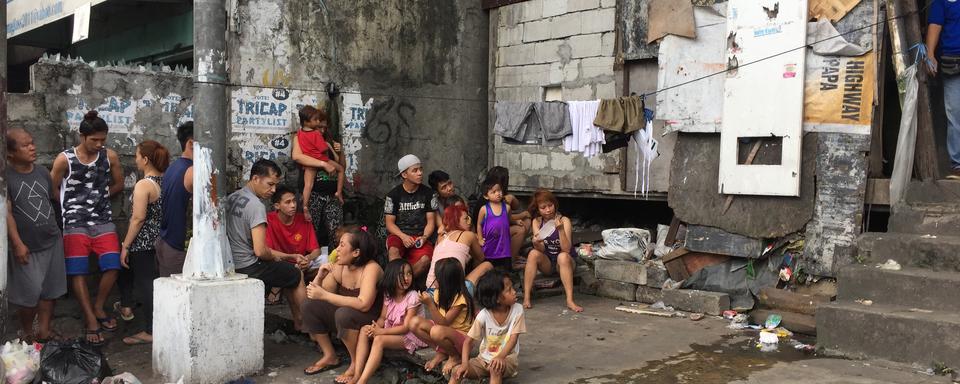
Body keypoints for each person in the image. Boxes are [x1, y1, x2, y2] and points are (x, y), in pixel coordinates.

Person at [50, 110, 124, 346]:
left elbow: (119, 182)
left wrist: (100, 197)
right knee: (78, 271)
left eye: (103, 139)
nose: (99, 144)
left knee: (113, 264)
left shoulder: (109, 156)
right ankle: (91, 318)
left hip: (102, 219)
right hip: (74, 222)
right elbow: (52, 188)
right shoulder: (65, 159)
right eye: (94, 140)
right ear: (82, 136)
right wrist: (68, 206)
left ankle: (99, 306)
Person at [225, 159, 307, 329]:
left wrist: (288, 256)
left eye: (275, 185)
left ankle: (299, 323)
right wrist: (274, 258)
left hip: (230, 263)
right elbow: (261, 251)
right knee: (295, 274)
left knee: (286, 271)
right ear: (255, 179)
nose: (273, 190)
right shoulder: (256, 206)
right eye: (270, 184)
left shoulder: (232, 197)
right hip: (248, 266)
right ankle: (309, 326)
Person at [5, 128, 67, 344]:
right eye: (25, 145)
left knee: (50, 290)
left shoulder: (42, 171)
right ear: (10, 153)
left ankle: (44, 331)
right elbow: (7, 212)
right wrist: (17, 243)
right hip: (27, 246)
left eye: (32, 142)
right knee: (29, 294)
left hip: (51, 240)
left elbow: (52, 201)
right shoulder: (6, 177)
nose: (32, 147)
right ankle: (27, 332)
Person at [301, 228, 383, 383]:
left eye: (342, 245)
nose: (336, 249)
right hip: (345, 314)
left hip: (369, 317)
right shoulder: (340, 266)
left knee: (343, 314)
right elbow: (319, 295)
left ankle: (355, 362)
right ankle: (330, 355)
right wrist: (319, 276)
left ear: (356, 252)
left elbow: (364, 304)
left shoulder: (371, 268)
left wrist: (325, 295)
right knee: (309, 305)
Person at [118, 140, 170, 345]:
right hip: (161, 239)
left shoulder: (144, 185)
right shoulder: (166, 181)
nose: (135, 159)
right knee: (153, 283)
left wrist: (126, 245)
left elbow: (138, 218)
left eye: (137, 156)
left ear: (146, 159)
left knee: (146, 286)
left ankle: (151, 330)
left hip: (143, 242)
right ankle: (128, 307)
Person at [350, 259, 427, 384]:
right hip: (392, 331)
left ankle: (362, 381)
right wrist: (375, 328)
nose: (406, 278)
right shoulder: (388, 294)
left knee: (379, 340)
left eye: (409, 273)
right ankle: (357, 374)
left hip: (410, 335)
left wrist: (380, 332)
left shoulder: (412, 296)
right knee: (365, 329)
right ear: (391, 276)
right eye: (401, 274)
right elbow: (382, 318)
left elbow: (406, 328)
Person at [450, 270, 526, 384]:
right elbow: (468, 342)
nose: (514, 292)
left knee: (495, 369)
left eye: (512, 288)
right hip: (483, 361)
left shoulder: (517, 310)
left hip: (507, 358)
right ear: (497, 298)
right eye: (509, 290)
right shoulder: (483, 315)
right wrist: (465, 364)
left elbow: (513, 339)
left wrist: (500, 357)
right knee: (456, 371)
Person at [291, 107, 345, 248]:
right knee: (310, 230)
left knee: (336, 232)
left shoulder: (329, 141)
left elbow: (341, 167)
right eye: (318, 126)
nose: (321, 130)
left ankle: (336, 262)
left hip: (332, 195)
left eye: (324, 128)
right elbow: (297, 157)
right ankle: (309, 261)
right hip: (315, 193)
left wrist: (340, 151)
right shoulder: (300, 136)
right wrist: (322, 163)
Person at [412, 258, 476, 375]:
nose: (433, 279)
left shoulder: (460, 298)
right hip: (444, 332)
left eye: (436, 277)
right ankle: (442, 352)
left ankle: (455, 356)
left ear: (446, 281)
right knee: (414, 322)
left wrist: (430, 304)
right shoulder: (438, 292)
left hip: (462, 339)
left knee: (436, 331)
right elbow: (439, 322)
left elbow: (443, 323)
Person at [522, 189, 582, 312]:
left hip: (566, 262)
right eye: (543, 207)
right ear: (538, 209)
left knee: (562, 256)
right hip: (548, 263)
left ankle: (570, 300)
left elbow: (566, 249)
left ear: (554, 204)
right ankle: (526, 297)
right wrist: (536, 243)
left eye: (550, 205)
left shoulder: (564, 221)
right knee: (533, 253)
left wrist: (560, 230)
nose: (548, 210)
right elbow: (542, 248)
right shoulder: (537, 222)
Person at [384, 154, 439, 278]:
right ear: (404, 174)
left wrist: (424, 237)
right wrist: (403, 236)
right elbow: (389, 223)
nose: (420, 173)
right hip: (399, 235)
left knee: (425, 260)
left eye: (420, 169)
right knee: (393, 252)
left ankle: (403, 282)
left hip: (420, 237)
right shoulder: (393, 195)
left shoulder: (429, 194)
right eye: (415, 170)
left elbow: (431, 221)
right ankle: (398, 283)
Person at [265, 184, 322, 303]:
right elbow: (267, 251)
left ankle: (320, 301)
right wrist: (291, 257)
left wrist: (308, 258)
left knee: (327, 262)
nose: (293, 205)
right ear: (277, 206)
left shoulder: (304, 220)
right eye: (288, 202)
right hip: (280, 262)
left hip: (301, 262)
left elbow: (316, 250)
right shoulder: (268, 220)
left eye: (294, 201)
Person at [425, 204, 492, 295]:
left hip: (431, 291)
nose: (469, 222)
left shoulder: (440, 237)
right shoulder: (468, 235)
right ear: (455, 220)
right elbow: (480, 257)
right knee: (487, 265)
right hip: (455, 294)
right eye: (466, 219)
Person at [927, 0, 960, 179]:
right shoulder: (942, 1)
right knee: (955, 115)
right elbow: (935, 24)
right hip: (953, 63)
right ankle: (958, 166)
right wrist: (930, 54)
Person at [157, 121, 194, 277]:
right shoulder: (193, 171)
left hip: (165, 241)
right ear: (191, 143)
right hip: (179, 248)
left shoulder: (173, 167)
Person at [486, 166, 531, 269]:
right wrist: (522, 215)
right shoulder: (493, 196)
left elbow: (515, 206)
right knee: (521, 228)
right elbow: (502, 217)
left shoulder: (498, 193)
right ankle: (511, 261)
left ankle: (514, 251)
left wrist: (511, 198)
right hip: (493, 233)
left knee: (526, 221)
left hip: (499, 226)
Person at [476, 177, 512, 271]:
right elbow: (479, 224)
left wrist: (515, 222)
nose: (498, 194)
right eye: (493, 192)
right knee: (490, 268)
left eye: (499, 190)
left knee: (504, 269)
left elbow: (508, 220)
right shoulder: (484, 209)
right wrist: (480, 238)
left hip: (504, 245)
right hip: (490, 245)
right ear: (486, 196)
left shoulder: (507, 208)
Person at [428, 170, 463, 237]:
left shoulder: (458, 198)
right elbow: (441, 227)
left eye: (450, 183)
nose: (449, 188)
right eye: (444, 187)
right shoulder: (434, 203)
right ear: (437, 192)